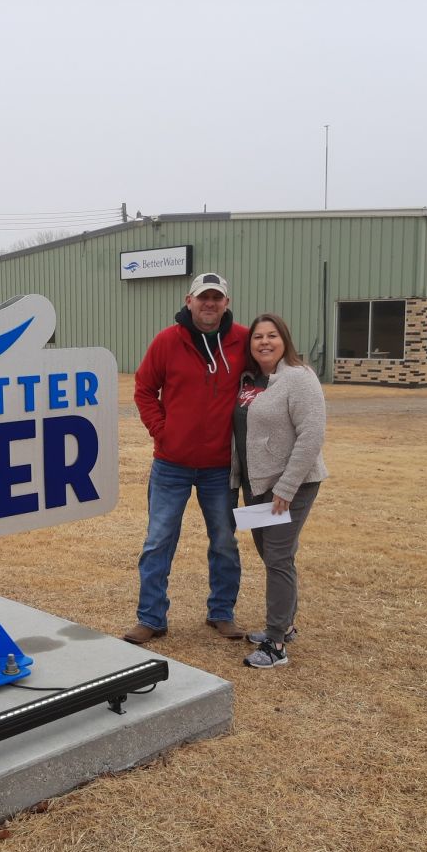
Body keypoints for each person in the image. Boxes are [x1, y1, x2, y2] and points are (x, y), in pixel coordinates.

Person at [126, 272, 249, 644]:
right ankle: (151, 618)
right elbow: (145, 389)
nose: (209, 304)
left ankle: (222, 612)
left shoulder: (242, 340)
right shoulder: (167, 341)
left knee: (225, 541)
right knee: (158, 541)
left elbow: (269, 374)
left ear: (226, 302)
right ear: (188, 300)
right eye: (202, 297)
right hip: (171, 465)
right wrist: (163, 432)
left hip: (219, 468)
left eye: (217, 297)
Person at [230, 313, 328, 668]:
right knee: (271, 555)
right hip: (256, 484)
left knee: (278, 556)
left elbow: (311, 435)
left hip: (292, 485)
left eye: (272, 336)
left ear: (284, 340)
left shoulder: (299, 378)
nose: (264, 342)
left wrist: (286, 486)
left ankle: (275, 644)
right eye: (258, 337)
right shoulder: (251, 380)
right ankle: (284, 625)